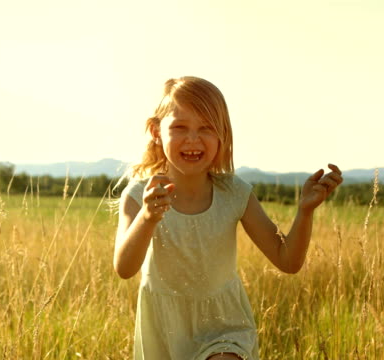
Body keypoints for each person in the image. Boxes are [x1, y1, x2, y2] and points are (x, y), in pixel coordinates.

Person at [113, 76, 343, 359]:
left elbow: (287, 260)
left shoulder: (234, 193)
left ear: (223, 134)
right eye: (180, 127)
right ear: (156, 131)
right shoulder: (139, 196)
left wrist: (305, 212)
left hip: (224, 327)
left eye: (206, 128)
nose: (193, 139)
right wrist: (148, 217)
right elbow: (124, 268)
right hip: (164, 332)